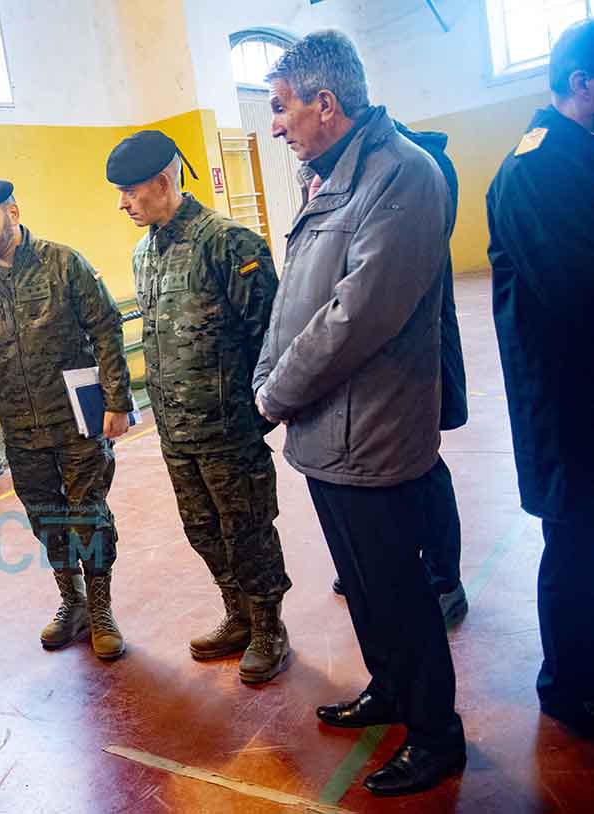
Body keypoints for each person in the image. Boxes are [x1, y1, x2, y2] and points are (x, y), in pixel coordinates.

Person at [253, 30, 466, 795]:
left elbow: (355, 314)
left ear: (324, 103)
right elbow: (296, 295)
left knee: (398, 590)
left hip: (372, 430)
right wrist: (269, 373)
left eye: (281, 107)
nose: (274, 124)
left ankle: (436, 734)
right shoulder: (329, 175)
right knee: (362, 583)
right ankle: (390, 690)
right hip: (326, 428)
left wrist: (275, 392)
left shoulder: (400, 174)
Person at [106, 130, 291, 684]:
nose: (122, 204)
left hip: (229, 429)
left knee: (248, 529)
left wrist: (256, 414)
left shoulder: (230, 243)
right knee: (202, 529)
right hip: (176, 431)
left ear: (164, 182)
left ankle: (269, 628)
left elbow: (270, 333)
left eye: (130, 192)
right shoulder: (144, 254)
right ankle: (238, 615)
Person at [0, 178, 133, 659]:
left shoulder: (63, 263)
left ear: (12, 211)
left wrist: (116, 400)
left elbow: (106, 327)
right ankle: (72, 602)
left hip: (77, 418)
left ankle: (101, 609)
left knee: (88, 514)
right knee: (46, 518)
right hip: (20, 426)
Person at [486, 18, 594, 740]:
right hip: (564, 398)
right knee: (575, 540)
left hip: (580, 389)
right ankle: (568, 687)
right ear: (581, 83)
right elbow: (574, 288)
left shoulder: (573, 155)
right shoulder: (536, 168)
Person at [332, 121, 470, 627]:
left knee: (423, 466)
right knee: (384, 471)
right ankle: (395, 565)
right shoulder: (352, 173)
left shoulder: (415, 169)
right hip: (372, 363)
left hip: (413, 358)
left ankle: (444, 580)